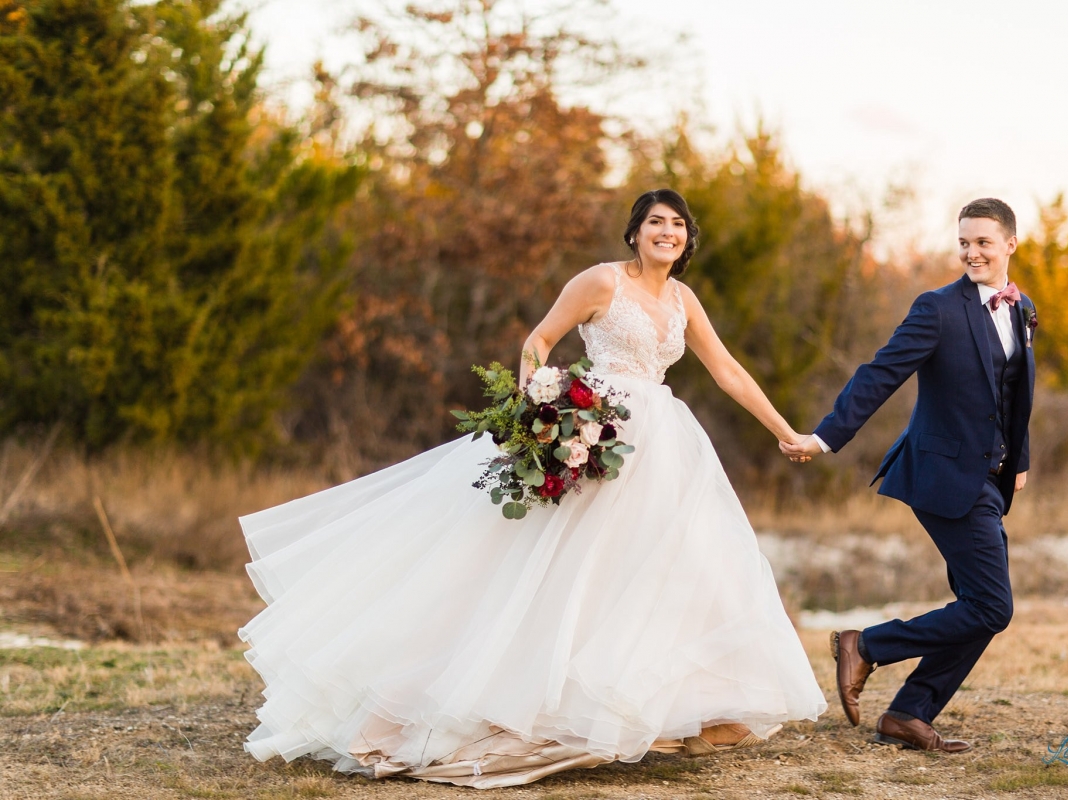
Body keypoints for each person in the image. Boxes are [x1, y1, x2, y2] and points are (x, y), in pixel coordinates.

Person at [238, 188, 827, 789]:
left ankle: (669, 703)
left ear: (686, 238)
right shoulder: (601, 283)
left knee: (665, 568)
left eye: (677, 225)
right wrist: (539, 407)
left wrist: (786, 432)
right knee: (553, 569)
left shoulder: (683, 298)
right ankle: (493, 700)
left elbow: (726, 369)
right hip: (596, 433)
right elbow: (538, 342)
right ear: (634, 233)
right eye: (655, 222)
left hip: (663, 446)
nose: (667, 232)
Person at [782, 197, 1036, 753]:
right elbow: (881, 373)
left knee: (978, 606)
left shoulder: (1020, 308)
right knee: (993, 607)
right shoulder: (938, 308)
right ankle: (866, 645)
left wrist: (1017, 461)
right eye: (964, 242)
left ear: (1010, 244)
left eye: (983, 242)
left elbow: (1015, 394)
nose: (972, 252)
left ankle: (909, 713)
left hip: (989, 480)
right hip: (941, 475)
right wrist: (824, 437)